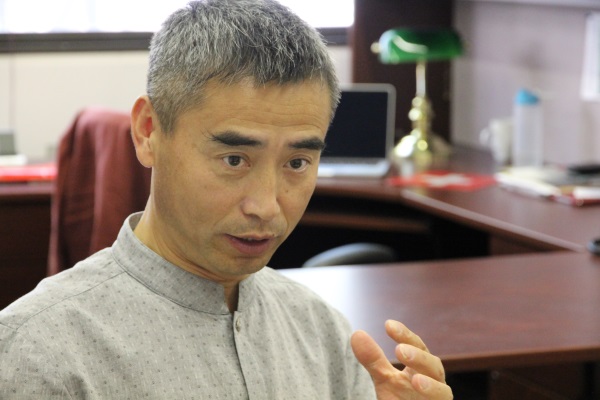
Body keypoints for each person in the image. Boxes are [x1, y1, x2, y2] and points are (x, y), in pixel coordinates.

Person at [0, 1, 452, 398]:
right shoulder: (41, 353)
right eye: (234, 159)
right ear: (148, 131)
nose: (267, 207)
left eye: (297, 163)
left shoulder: (324, 332)